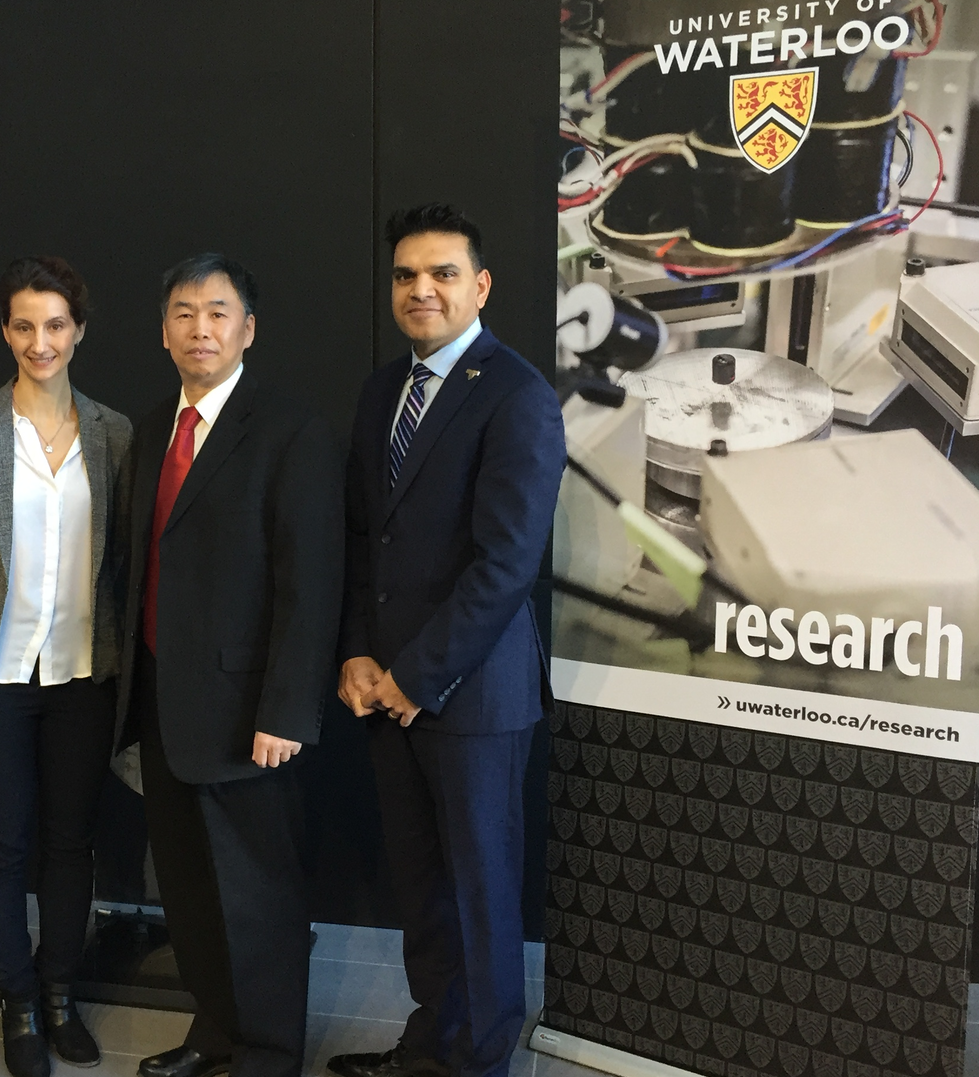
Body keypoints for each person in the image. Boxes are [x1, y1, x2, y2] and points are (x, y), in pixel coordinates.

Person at [327, 204, 565, 1077]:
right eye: (405, 276)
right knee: (425, 896)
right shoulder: (382, 387)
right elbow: (364, 537)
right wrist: (357, 651)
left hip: (469, 698)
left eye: (442, 274)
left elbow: (506, 566)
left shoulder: (518, 394)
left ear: (481, 285)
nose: (421, 289)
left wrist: (416, 677)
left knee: (481, 898)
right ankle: (429, 1047)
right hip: (386, 692)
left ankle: (480, 1064)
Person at [115, 254, 343, 1077]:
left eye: (218, 312)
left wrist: (287, 710)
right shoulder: (151, 429)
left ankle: (268, 1053)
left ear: (248, 328)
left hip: (250, 714)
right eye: (183, 312)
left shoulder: (289, 429)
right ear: (163, 329)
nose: (199, 328)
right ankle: (213, 1030)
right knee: (191, 894)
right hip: (165, 709)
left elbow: (310, 582)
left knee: (259, 899)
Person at [0, 257, 133, 1077]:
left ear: (78, 330)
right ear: (5, 331)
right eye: (23, 325)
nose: (39, 341)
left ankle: (58, 991)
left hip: (85, 670)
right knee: (3, 845)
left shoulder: (116, 433)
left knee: (71, 844)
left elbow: (120, 557)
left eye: (55, 325)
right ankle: (15, 997)